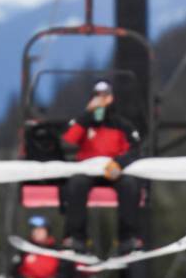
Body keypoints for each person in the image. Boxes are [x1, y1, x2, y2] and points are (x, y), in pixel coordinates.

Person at [61, 80, 143, 256]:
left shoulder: (122, 124)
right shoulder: (84, 122)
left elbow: (136, 148)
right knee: (76, 184)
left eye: (105, 97)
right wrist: (87, 114)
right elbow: (68, 140)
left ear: (111, 98)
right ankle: (78, 238)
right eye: (98, 97)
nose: (101, 102)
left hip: (113, 169)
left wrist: (119, 163)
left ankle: (127, 238)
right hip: (89, 169)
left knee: (129, 185)